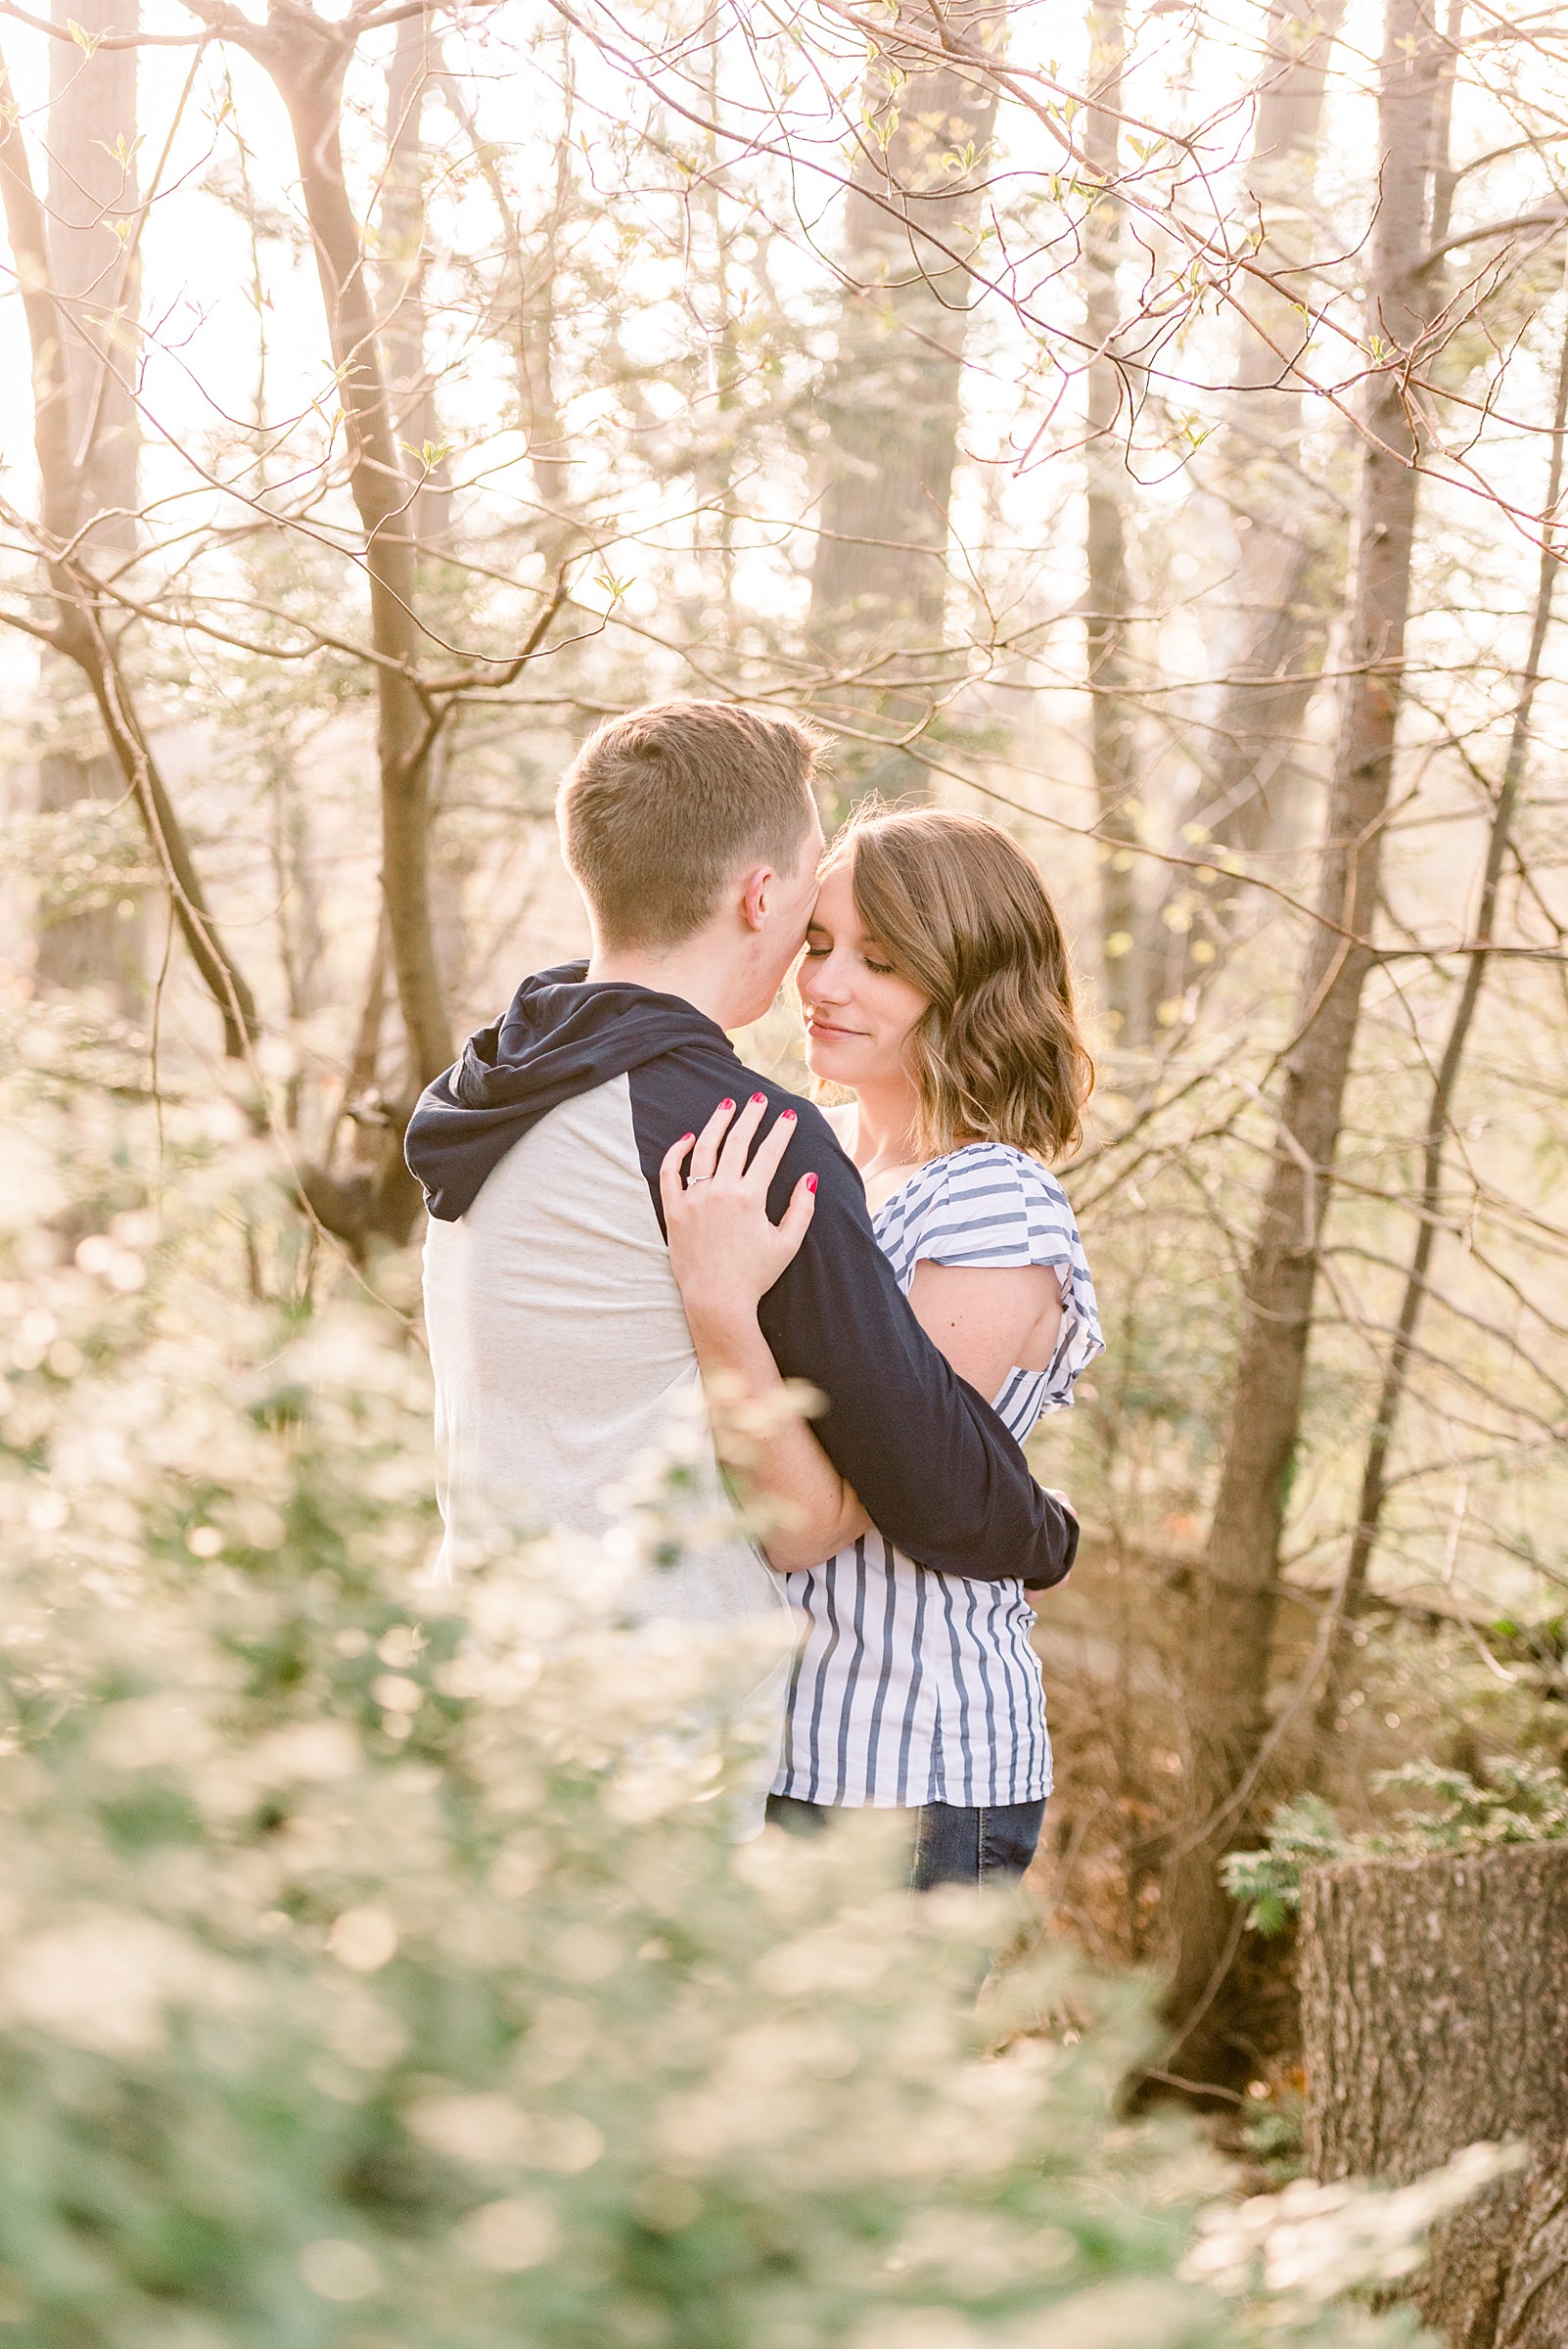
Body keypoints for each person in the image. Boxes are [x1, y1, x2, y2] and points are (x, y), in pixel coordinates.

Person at [403, 703, 1076, 1709]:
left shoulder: (495, 1088)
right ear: (763, 897)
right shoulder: (743, 1141)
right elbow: (937, 1482)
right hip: (650, 1730)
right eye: (811, 896)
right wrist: (1049, 1532)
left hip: (474, 1663)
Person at [659, 806, 1102, 1891]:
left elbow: (886, 1488)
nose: (823, 985)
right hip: (782, 1737)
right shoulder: (819, 1159)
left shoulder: (992, 1200)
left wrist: (720, 1307)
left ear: (970, 985)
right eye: (818, 945)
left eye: (882, 962)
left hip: (911, 1765)